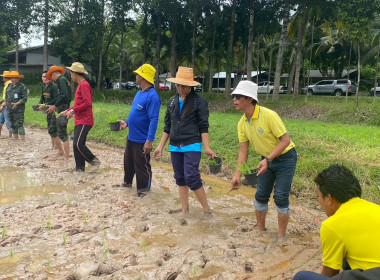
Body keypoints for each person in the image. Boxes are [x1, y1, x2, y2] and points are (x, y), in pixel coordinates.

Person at [230, 80, 297, 240]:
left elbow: (285, 140)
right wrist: (237, 174)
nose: (234, 100)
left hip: (286, 159)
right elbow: (243, 151)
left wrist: (268, 159)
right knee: (260, 195)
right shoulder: (242, 123)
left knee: (280, 197)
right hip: (266, 160)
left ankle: (281, 237)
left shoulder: (269, 115)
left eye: (238, 96)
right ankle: (261, 232)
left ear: (250, 99)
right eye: (234, 96)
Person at [293, 165, 380, 280]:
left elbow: (330, 274)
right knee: (345, 254)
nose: (319, 201)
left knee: (301, 277)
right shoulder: (375, 208)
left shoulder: (332, 226)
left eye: (318, 196)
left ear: (329, 198)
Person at [154, 66, 216, 219]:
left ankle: (207, 211)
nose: (181, 88)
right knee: (180, 178)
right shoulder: (172, 101)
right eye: (178, 85)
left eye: (184, 85)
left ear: (191, 86)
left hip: (192, 144)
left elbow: (203, 126)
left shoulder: (199, 102)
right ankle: (184, 210)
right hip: (175, 145)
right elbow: (168, 126)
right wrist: (160, 146)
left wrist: (206, 147)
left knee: (192, 176)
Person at [119, 64, 161, 197]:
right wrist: (127, 122)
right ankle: (127, 183)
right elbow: (135, 113)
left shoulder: (153, 96)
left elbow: (154, 119)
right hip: (131, 137)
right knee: (128, 163)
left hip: (142, 140)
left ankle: (144, 190)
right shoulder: (139, 93)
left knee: (142, 165)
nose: (135, 76)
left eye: (138, 74)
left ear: (143, 77)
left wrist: (149, 141)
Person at [60, 62, 100, 172]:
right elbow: (78, 105)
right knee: (76, 144)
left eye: (71, 73)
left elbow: (88, 103)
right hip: (80, 120)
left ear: (74, 73)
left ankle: (94, 161)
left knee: (78, 144)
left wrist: (73, 111)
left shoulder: (84, 85)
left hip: (85, 120)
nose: (70, 75)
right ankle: (79, 169)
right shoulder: (80, 86)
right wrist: (67, 110)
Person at [46, 65, 71, 159]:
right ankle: (60, 152)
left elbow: (64, 95)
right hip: (58, 108)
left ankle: (67, 157)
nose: (52, 79)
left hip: (63, 108)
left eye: (51, 76)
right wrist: (53, 106)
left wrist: (54, 106)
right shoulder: (62, 80)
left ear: (53, 74)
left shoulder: (61, 80)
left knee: (62, 131)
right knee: (52, 129)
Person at [39, 71, 63, 154]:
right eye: (43, 77)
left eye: (46, 76)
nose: (45, 78)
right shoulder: (44, 87)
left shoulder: (54, 87)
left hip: (54, 110)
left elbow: (56, 99)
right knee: (50, 126)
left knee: (53, 128)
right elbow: (42, 97)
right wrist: (40, 105)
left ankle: (57, 147)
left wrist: (45, 104)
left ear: (50, 77)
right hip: (47, 110)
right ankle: (53, 145)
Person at [4, 71, 28, 140]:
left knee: (19, 124)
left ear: (18, 78)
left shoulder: (22, 86)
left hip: (19, 109)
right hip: (9, 108)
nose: (13, 79)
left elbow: (24, 98)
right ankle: (15, 140)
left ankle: (22, 140)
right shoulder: (9, 86)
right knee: (12, 123)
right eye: (12, 78)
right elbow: (6, 97)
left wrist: (17, 103)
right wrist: (4, 103)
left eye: (15, 78)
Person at [0, 71, 13, 138]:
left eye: (3, 77)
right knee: (1, 119)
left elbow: (9, 97)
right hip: (5, 104)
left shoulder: (9, 85)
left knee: (7, 120)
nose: (2, 78)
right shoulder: (7, 84)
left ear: (5, 77)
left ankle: (11, 135)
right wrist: (2, 101)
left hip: (7, 105)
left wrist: (2, 105)